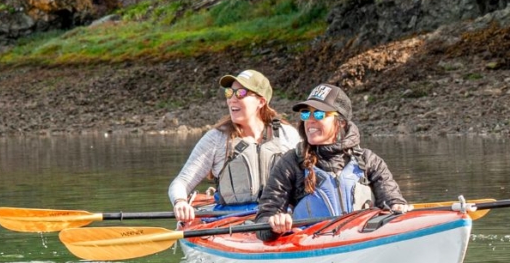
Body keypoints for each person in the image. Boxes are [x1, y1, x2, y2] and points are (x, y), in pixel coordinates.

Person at [255, 83, 412, 238]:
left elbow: (393, 201)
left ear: (341, 122)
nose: (309, 120)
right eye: (305, 114)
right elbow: (264, 218)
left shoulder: (369, 161)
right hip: (313, 248)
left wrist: (397, 206)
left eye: (318, 114)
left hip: (361, 240)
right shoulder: (291, 163)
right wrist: (274, 222)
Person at [169, 69, 301, 221]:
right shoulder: (216, 138)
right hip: (231, 220)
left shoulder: (288, 135)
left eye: (241, 93)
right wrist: (180, 202)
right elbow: (181, 182)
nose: (232, 99)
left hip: (279, 217)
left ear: (261, 101)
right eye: (229, 93)